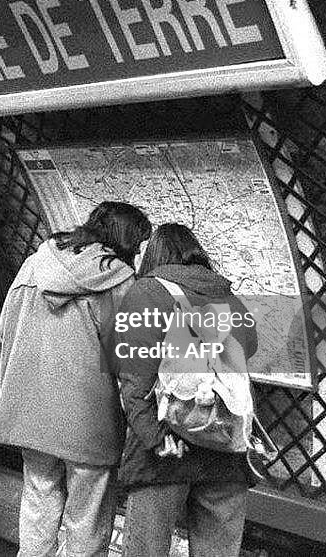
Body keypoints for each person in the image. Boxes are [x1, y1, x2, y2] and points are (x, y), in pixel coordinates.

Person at [0, 201, 152, 557]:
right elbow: (129, 358)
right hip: (90, 419)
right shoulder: (116, 279)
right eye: (138, 244)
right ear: (125, 239)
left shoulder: (35, 263)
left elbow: (5, 328)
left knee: (37, 501)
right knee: (88, 517)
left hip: (30, 411)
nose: (139, 254)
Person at [104, 223, 258, 557]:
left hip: (166, 454)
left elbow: (134, 380)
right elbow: (251, 346)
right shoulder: (226, 294)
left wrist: (155, 438)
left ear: (156, 255)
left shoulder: (146, 292)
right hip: (225, 447)